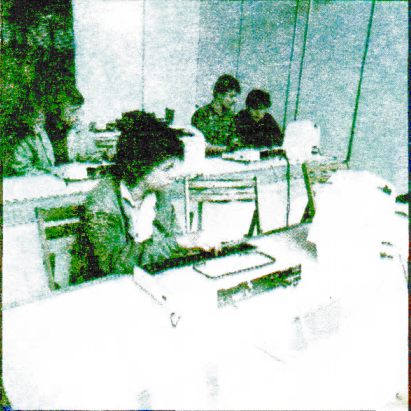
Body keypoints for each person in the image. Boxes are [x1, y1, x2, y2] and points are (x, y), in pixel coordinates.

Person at [70, 112, 208, 284]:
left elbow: (172, 242)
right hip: (106, 286)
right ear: (140, 167)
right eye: (167, 168)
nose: (174, 174)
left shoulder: (160, 193)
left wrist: (192, 245)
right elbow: (113, 264)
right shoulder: (102, 203)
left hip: (148, 278)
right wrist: (178, 243)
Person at [191, 74, 240, 153]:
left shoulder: (231, 116)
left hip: (227, 158)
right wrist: (224, 149)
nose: (235, 100)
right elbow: (198, 144)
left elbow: (234, 140)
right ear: (219, 94)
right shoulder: (201, 114)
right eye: (231, 96)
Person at [45, 88, 85, 163]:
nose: (78, 116)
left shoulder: (73, 128)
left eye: (79, 110)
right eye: (73, 111)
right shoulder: (47, 132)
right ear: (57, 108)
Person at [12, 108, 56, 175]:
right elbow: (22, 169)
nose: (39, 118)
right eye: (34, 116)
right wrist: (45, 174)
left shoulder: (44, 133)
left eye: (41, 115)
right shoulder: (22, 141)